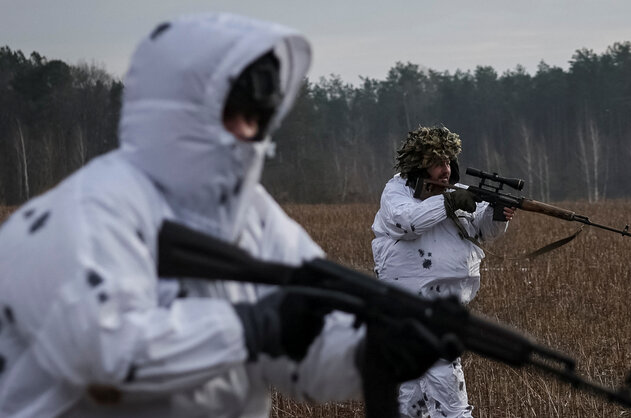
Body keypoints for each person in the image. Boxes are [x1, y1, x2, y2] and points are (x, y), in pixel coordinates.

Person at [0, 13, 439, 417]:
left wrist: (365, 351)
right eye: (231, 113)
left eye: (256, 117)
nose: (247, 133)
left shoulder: (254, 217)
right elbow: (103, 357)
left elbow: (302, 362)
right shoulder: (87, 212)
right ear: (175, 109)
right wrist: (248, 327)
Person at [371, 126, 516, 418]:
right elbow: (407, 222)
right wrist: (448, 201)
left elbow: (481, 230)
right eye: (437, 163)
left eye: (448, 162)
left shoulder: (456, 194)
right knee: (452, 406)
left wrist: (497, 215)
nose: (445, 170)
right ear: (418, 165)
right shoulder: (397, 191)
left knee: (410, 403)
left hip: (443, 311)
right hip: (412, 311)